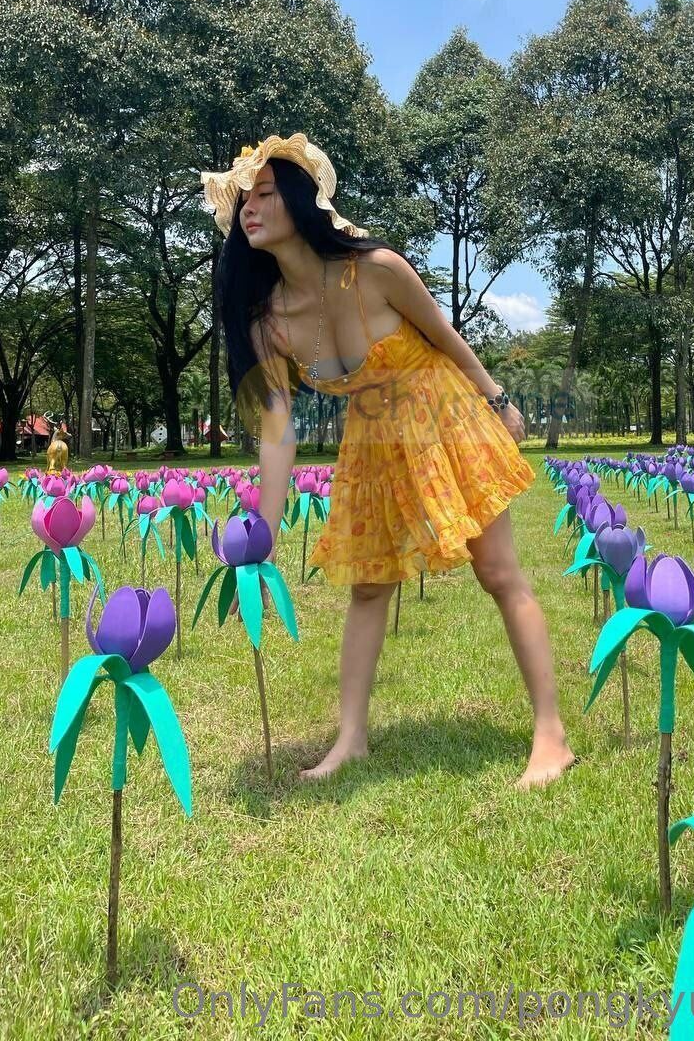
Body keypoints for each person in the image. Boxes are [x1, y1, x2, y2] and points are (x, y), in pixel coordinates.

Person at [202, 134, 575, 789]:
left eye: (264, 194)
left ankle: (552, 734)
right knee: (369, 586)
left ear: (301, 200)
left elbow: (444, 335)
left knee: (497, 571)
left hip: (445, 413)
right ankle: (351, 740)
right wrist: (263, 543)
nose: (249, 209)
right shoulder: (268, 323)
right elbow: (277, 434)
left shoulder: (377, 269)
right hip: (372, 439)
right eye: (242, 202)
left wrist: (498, 400)